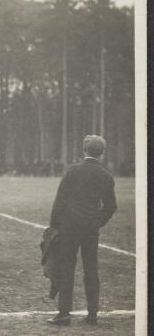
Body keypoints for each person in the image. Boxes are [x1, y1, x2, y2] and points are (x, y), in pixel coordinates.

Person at [46, 135, 116, 326]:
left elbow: (59, 200)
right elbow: (111, 206)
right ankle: (92, 315)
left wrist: (54, 226)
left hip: (69, 227)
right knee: (91, 268)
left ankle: (64, 314)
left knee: (67, 267)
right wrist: (97, 222)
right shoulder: (106, 175)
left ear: (84, 150)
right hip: (91, 228)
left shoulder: (73, 171)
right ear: (101, 153)